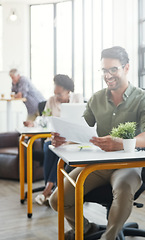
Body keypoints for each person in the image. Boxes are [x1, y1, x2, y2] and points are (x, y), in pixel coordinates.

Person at [49, 46, 145, 240]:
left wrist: (123, 143)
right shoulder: (97, 99)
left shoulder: (144, 99)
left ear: (126, 68)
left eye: (113, 69)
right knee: (57, 200)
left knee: (123, 189)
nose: (107, 75)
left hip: (129, 164)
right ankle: (86, 229)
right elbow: (82, 129)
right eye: (104, 70)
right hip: (98, 164)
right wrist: (64, 137)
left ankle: (108, 237)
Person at [32, 74, 84, 205]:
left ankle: (47, 190)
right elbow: (44, 120)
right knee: (50, 147)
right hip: (54, 138)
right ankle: (51, 189)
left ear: (68, 91)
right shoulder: (51, 100)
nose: (57, 97)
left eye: (59, 94)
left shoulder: (77, 98)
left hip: (72, 140)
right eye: (55, 94)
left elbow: (82, 122)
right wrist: (33, 123)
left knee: (58, 151)